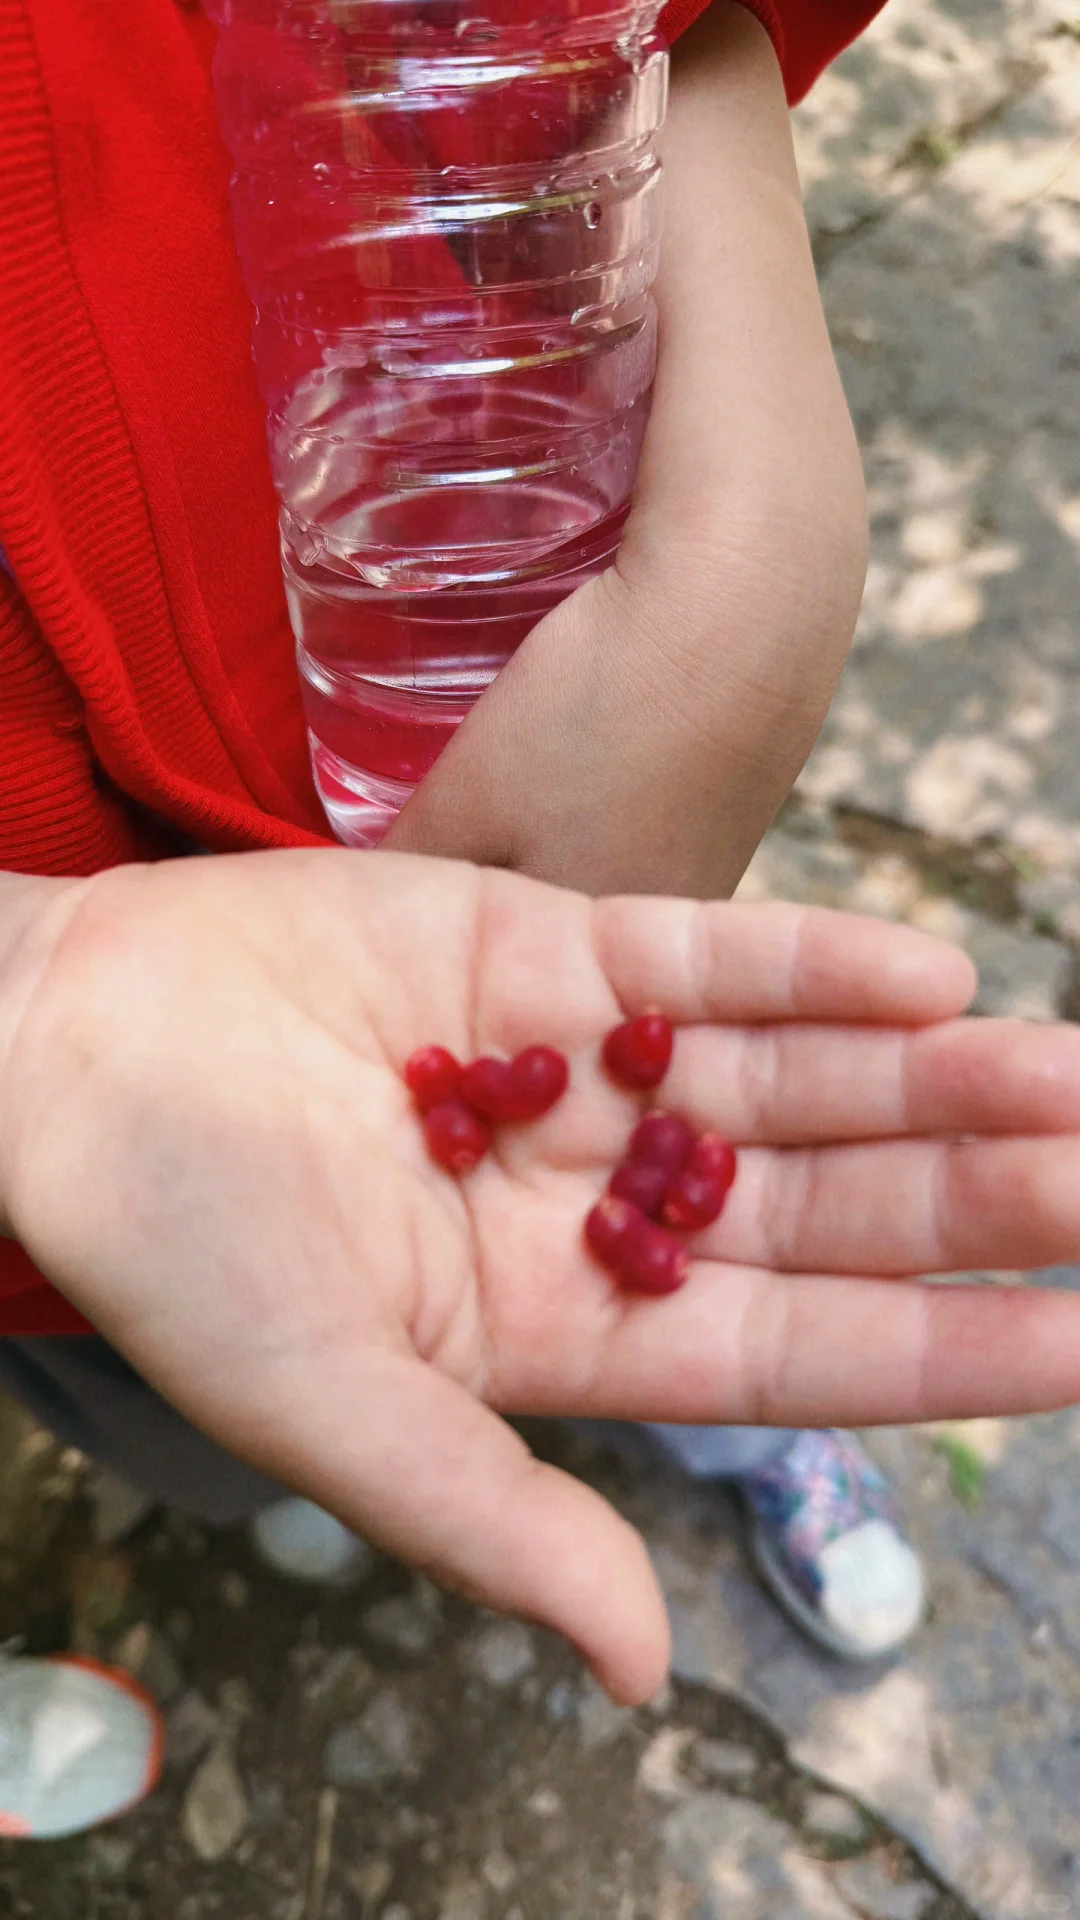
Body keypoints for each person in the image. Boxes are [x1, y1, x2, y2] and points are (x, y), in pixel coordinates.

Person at [1, 0, 1072, 1836]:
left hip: (514, 642)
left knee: (674, 1125)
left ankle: (738, 1414)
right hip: (71, 1131)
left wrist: (752, 523)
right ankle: (305, 1457)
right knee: (207, 1387)